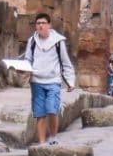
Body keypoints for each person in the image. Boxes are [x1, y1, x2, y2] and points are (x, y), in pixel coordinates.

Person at [23, 12, 75, 145]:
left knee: (52, 110)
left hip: (53, 81)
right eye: (38, 23)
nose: (40, 26)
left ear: (49, 25)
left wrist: (70, 81)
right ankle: (41, 142)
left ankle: (53, 137)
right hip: (36, 81)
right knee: (40, 114)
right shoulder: (32, 41)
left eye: (43, 23)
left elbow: (66, 62)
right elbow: (28, 59)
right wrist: (23, 69)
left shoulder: (58, 42)